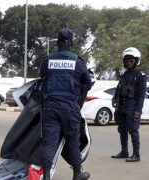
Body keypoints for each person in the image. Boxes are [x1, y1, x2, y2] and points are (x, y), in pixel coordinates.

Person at [40, 28, 92, 180]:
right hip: (70, 108)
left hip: (50, 108)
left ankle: (46, 175)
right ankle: (77, 173)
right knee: (72, 141)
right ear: (72, 43)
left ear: (57, 42)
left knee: (49, 143)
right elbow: (87, 83)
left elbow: (43, 78)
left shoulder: (47, 60)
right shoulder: (78, 62)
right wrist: (78, 101)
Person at [111, 47, 147, 162]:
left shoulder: (141, 75)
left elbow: (142, 95)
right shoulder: (125, 74)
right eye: (126, 61)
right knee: (122, 129)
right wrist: (114, 98)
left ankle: (136, 154)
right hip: (121, 106)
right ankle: (124, 151)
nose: (128, 63)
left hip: (132, 106)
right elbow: (119, 88)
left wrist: (138, 110)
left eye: (131, 61)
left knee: (133, 130)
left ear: (136, 61)